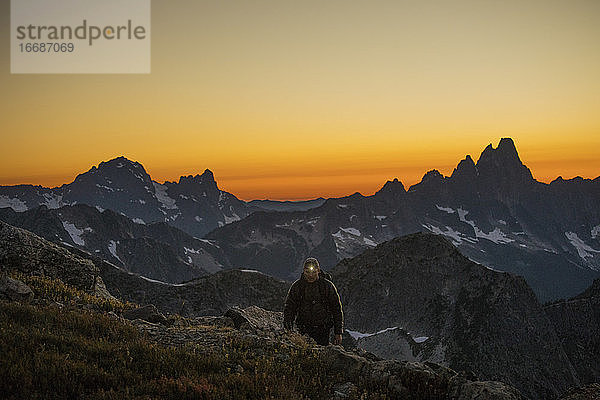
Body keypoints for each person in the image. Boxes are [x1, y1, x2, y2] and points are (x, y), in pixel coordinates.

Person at [283, 257, 343, 345]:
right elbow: (290, 308)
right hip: (303, 329)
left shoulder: (327, 286)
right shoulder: (297, 287)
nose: (310, 275)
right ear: (303, 271)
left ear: (318, 271)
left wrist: (338, 332)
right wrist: (288, 328)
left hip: (323, 330)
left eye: (314, 272)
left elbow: (336, 309)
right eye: (307, 272)